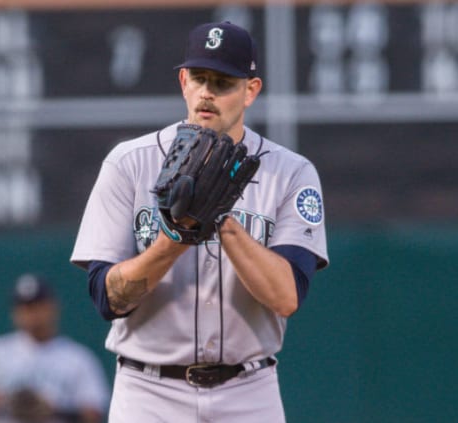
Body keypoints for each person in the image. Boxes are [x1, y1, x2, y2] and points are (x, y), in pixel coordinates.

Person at [70, 21, 328, 422]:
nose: (208, 92)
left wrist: (222, 220)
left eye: (223, 82)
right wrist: (176, 235)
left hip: (249, 392)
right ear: (183, 82)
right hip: (148, 391)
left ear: (250, 91)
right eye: (200, 78)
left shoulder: (291, 173)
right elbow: (108, 298)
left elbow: (286, 296)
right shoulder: (129, 163)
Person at [0, 273, 110, 423]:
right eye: (25, 308)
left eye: (38, 306)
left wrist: (54, 410)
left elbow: (95, 413)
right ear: (14, 312)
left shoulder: (78, 358)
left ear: (53, 307)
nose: (32, 314)